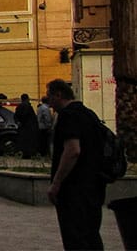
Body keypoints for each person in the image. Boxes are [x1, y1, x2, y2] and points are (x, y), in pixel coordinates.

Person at [46, 78, 107, 250]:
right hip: (94, 186)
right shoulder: (89, 114)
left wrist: (56, 183)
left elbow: (73, 150)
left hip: (74, 189)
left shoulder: (68, 115)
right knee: (91, 235)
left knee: (76, 238)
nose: (49, 103)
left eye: (50, 97)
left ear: (59, 95)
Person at [14, 93, 38, 159]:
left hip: (22, 127)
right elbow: (32, 117)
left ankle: (25, 154)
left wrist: (18, 122)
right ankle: (28, 154)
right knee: (29, 141)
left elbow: (15, 116)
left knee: (23, 141)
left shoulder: (19, 107)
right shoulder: (28, 107)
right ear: (27, 99)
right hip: (29, 127)